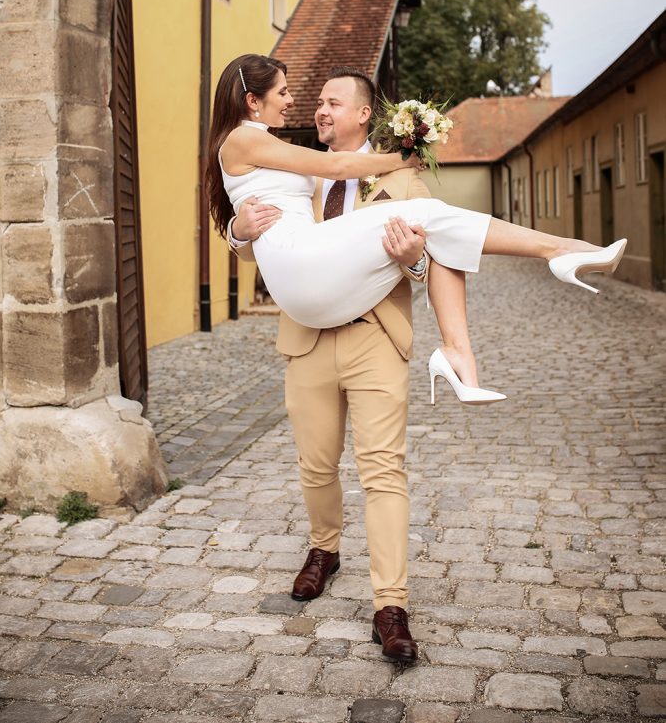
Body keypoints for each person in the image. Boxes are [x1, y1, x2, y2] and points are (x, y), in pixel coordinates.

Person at [206, 53, 627, 659]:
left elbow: (433, 263)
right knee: (316, 466)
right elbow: (261, 242)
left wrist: (414, 261)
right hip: (308, 335)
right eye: (312, 100)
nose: (316, 110)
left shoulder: (405, 185)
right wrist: (238, 231)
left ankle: (391, 605)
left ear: (363, 114)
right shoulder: (297, 164)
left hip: (374, 338)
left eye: (330, 103)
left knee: (383, 471)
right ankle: (324, 548)